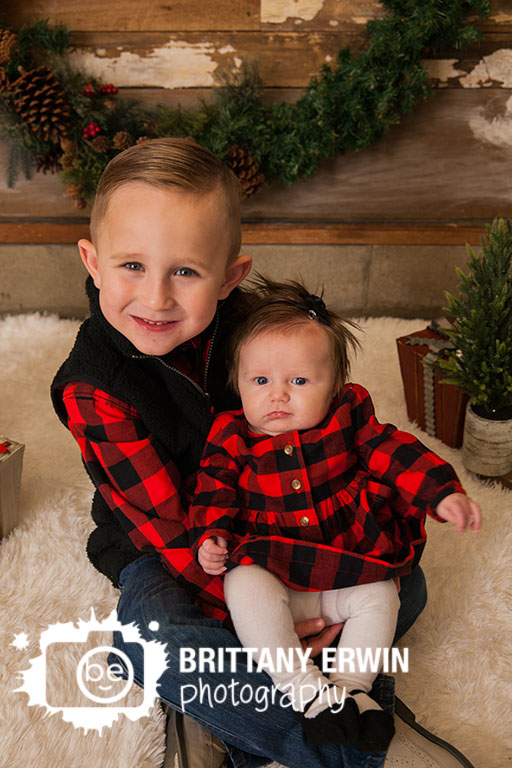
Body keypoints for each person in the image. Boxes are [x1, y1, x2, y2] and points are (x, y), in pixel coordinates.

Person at [51, 137, 476, 768]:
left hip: (281, 520)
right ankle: (351, 743)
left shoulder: (260, 329)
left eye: (186, 271)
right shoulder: (95, 385)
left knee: (401, 585)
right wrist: (266, 623)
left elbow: (332, 418)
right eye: (132, 266)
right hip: (173, 553)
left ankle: (237, 718)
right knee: (153, 637)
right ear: (92, 261)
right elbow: (169, 531)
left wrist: (310, 594)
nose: (158, 297)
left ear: (229, 276)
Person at [189, 277, 482, 754]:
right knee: (242, 586)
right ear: (237, 383)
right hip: (277, 572)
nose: (277, 396)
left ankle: (350, 687)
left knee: (383, 591)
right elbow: (212, 489)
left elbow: (394, 450)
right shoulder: (232, 436)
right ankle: (304, 689)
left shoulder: (349, 420)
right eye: (260, 381)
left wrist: (438, 492)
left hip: (347, 563)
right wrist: (211, 536)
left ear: (335, 387)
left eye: (299, 381)